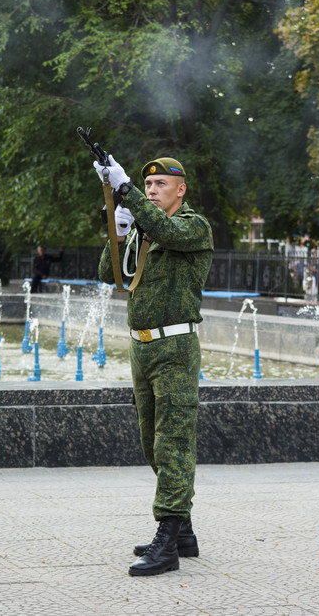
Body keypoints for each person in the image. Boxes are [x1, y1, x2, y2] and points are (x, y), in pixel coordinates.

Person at [96, 155, 213, 576]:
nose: (151, 190)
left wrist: (125, 191)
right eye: (147, 185)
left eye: (159, 184)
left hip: (175, 348)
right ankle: (183, 532)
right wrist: (120, 226)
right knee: (151, 443)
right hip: (141, 348)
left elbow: (166, 230)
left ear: (181, 190)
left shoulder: (193, 226)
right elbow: (110, 274)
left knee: (173, 442)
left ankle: (167, 541)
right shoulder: (144, 230)